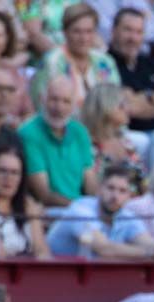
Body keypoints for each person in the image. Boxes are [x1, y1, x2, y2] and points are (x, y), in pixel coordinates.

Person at [21, 75, 98, 208]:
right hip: (47, 211)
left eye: (66, 101)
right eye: (54, 99)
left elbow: (90, 183)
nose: (59, 107)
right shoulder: (28, 133)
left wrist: (93, 208)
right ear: (42, 99)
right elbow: (43, 194)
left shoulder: (80, 131)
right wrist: (80, 209)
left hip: (80, 209)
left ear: (74, 105)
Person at [46, 164, 154, 257]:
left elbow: (147, 242)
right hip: (53, 275)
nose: (115, 196)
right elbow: (104, 249)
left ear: (129, 196)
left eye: (122, 191)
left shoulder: (126, 215)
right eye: (110, 188)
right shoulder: (81, 209)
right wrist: (151, 252)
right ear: (99, 189)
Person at [31, 3, 121, 111]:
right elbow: (43, 105)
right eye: (77, 32)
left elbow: (116, 102)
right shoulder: (52, 61)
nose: (84, 38)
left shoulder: (105, 61)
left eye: (89, 31)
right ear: (65, 32)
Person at [0, 146, 51, 259]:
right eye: (2, 171)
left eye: (15, 173)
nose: (8, 178)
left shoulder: (28, 207)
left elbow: (41, 250)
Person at [109, 7, 154, 134]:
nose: (133, 38)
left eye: (139, 32)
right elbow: (132, 108)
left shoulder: (145, 61)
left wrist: (146, 99)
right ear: (113, 31)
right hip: (130, 134)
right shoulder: (106, 63)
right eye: (128, 30)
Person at [81, 83, 144, 177]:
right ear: (106, 107)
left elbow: (141, 179)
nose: (128, 109)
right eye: (122, 105)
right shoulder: (86, 145)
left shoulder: (126, 142)